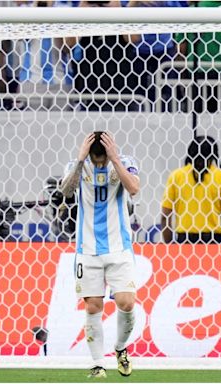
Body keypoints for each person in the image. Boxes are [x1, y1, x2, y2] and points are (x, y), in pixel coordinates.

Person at [60, 131, 139, 379]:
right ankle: (97, 364)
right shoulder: (78, 165)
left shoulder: (124, 162)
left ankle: (120, 348)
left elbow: (134, 188)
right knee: (93, 307)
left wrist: (114, 159)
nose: (99, 164)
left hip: (119, 248)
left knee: (126, 302)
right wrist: (81, 159)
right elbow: (66, 191)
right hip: (88, 250)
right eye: (96, 159)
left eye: (101, 158)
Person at [161, 135, 221, 244]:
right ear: (214, 154)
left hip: (184, 241)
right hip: (212, 241)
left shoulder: (176, 176)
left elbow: (165, 216)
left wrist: (170, 244)